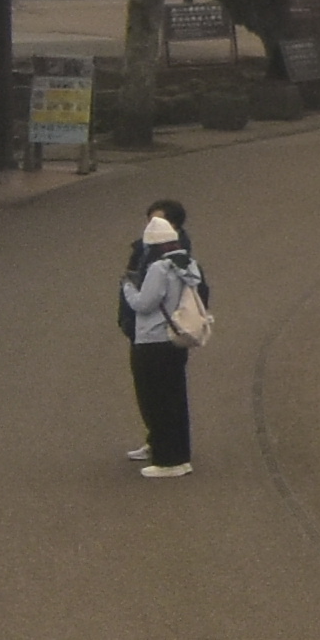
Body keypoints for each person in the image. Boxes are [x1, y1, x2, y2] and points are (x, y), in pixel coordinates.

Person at [119, 203, 211, 479]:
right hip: (176, 338)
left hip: (153, 340)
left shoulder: (159, 268)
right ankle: (178, 454)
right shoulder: (188, 264)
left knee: (156, 399)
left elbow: (144, 303)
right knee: (174, 399)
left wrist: (128, 287)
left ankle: (167, 459)